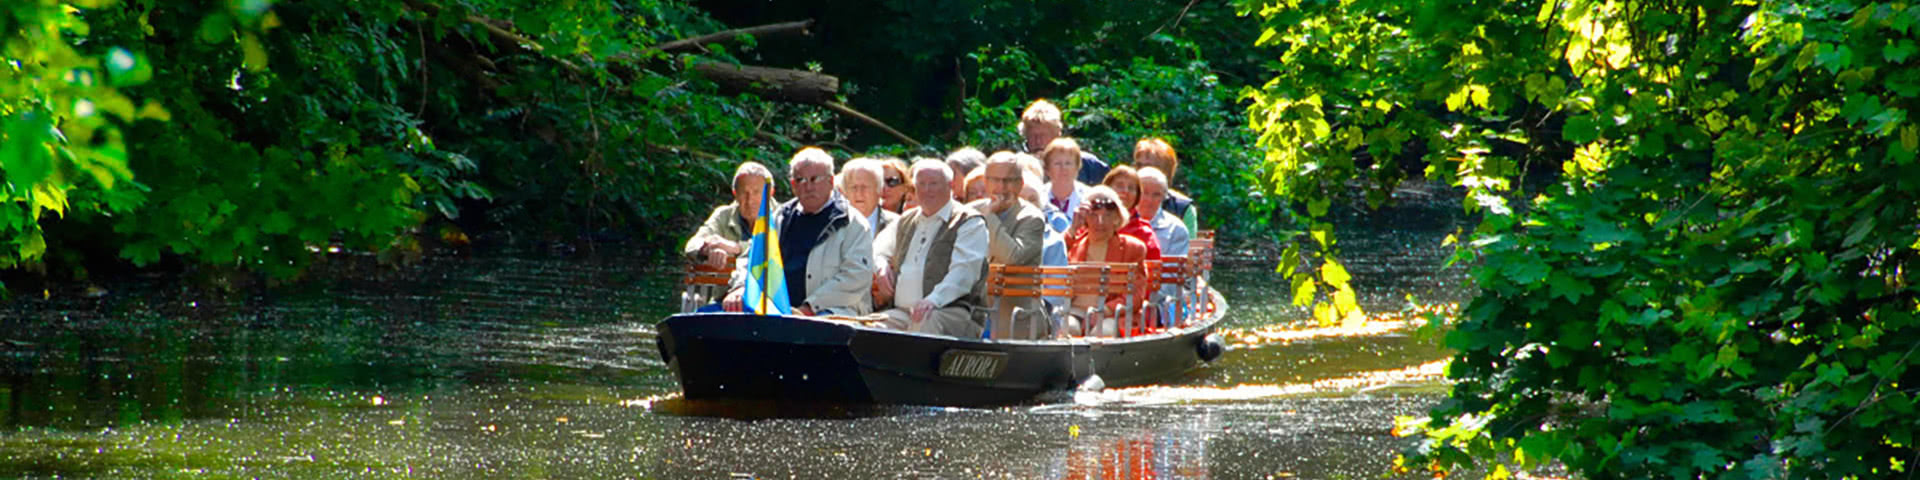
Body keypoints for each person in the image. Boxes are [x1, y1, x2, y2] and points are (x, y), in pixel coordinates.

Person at [723, 147, 875, 316]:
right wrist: (740, 287)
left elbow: (855, 277)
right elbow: (752, 257)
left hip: (834, 312)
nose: (808, 187)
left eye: (814, 179)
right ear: (793, 185)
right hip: (778, 311)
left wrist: (809, 308)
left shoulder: (852, 223)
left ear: (831, 181)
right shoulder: (780, 218)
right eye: (800, 180)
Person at [869, 160, 991, 337]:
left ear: (950, 186)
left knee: (925, 323)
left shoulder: (969, 222)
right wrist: (880, 266)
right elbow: (878, 247)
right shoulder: (907, 220)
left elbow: (964, 273)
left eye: (934, 184)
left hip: (952, 313)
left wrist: (934, 300)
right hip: (904, 313)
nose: (927, 190)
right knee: (868, 329)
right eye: (921, 184)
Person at [968, 152, 1049, 339]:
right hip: (974, 311)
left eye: (1009, 180)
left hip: (1016, 316)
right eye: (995, 180)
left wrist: (989, 217)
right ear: (986, 182)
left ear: (1020, 183)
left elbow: (1012, 258)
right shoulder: (970, 211)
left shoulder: (1031, 217)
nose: (1001, 187)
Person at [1066, 186, 1149, 337]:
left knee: (1102, 332)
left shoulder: (1133, 248)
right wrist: (1073, 228)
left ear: (1117, 217)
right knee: (1068, 328)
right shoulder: (1072, 244)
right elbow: (1050, 255)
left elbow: (1136, 294)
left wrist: (1105, 310)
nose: (1100, 222)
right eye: (1093, 215)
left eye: (1108, 215)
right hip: (1075, 311)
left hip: (1111, 314)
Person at [683, 161, 775, 269]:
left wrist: (737, 248)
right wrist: (708, 249)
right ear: (735, 194)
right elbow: (692, 245)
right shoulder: (724, 215)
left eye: (756, 192)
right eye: (744, 193)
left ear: (770, 193)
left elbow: (777, 251)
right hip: (728, 285)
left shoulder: (783, 216)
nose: (750, 200)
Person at [1066, 165, 1162, 261]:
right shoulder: (1081, 236)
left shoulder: (1142, 235)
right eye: (1120, 186)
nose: (1125, 192)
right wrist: (1073, 228)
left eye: (1131, 188)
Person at [1020, 100, 1109, 185]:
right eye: (1033, 136)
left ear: (1056, 135)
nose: (1038, 141)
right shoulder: (1018, 168)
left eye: (1043, 135)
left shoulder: (1088, 165)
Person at [1133, 138, 1200, 233]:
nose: (1141, 170)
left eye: (1148, 166)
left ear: (1165, 171)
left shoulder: (1182, 208)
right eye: (1138, 165)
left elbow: (1189, 246)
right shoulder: (1123, 199)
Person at [1135, 167, 1190, 257]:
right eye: (1144, 192)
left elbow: (1172, 269)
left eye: (1156, 194)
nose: (1149, 200)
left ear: (1164, 197)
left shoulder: (1176, 229)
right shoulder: (1119, 222)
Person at [1038, 138, 1087, 233]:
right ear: (1047, 169)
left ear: (1077, 167)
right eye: (1057, 164)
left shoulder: (1088, 196)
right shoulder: (1038, 196)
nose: (1063, 168)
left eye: (1068, 163)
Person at [839, 157, 898, 236]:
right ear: (844, 192)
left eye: (865, 187)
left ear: (880, 190)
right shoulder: (832, 227)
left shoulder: (897, 225)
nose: (859, 193)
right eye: (853, 187)